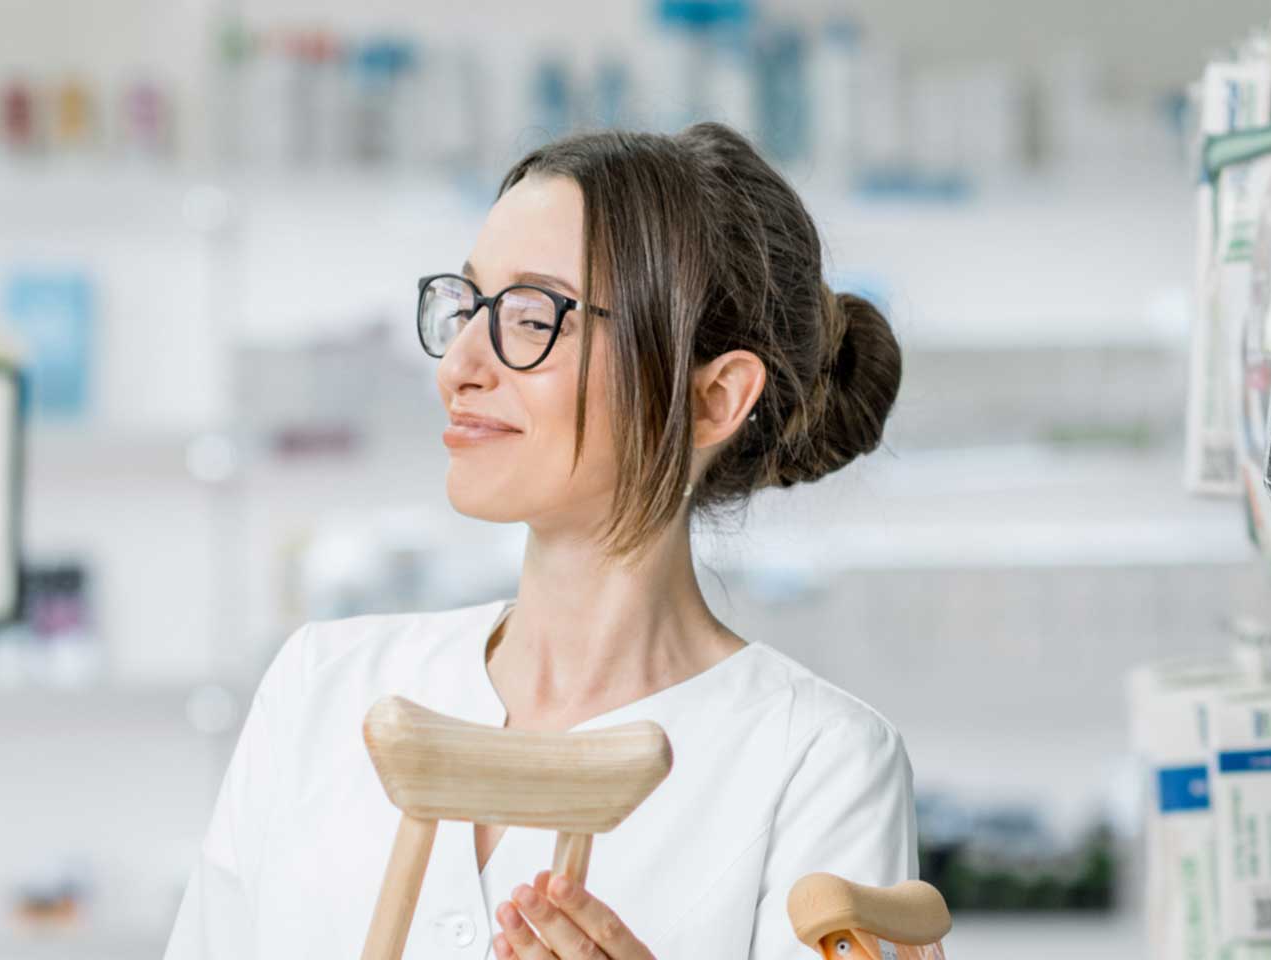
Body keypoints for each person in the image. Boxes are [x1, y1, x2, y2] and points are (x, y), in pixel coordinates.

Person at [165, 123, 914, 960]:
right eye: (467, 304)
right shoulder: (321, 690)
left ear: (713, 400)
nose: (459, 365)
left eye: (532, 317)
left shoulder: (818, 762)